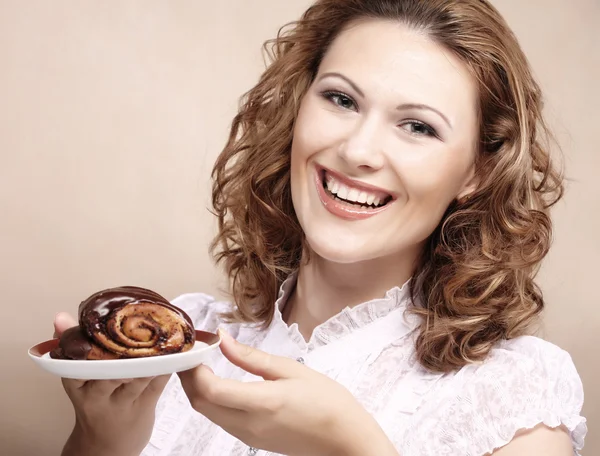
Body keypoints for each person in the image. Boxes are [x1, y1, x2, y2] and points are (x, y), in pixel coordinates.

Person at [53, 0, 587, 455]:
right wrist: (101, 441)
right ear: (297, 108)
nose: (357, 151)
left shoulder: (519, 395)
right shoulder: (182, 339)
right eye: (341, 99)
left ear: (478, 170)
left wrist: (353, 448)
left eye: (418, 126)